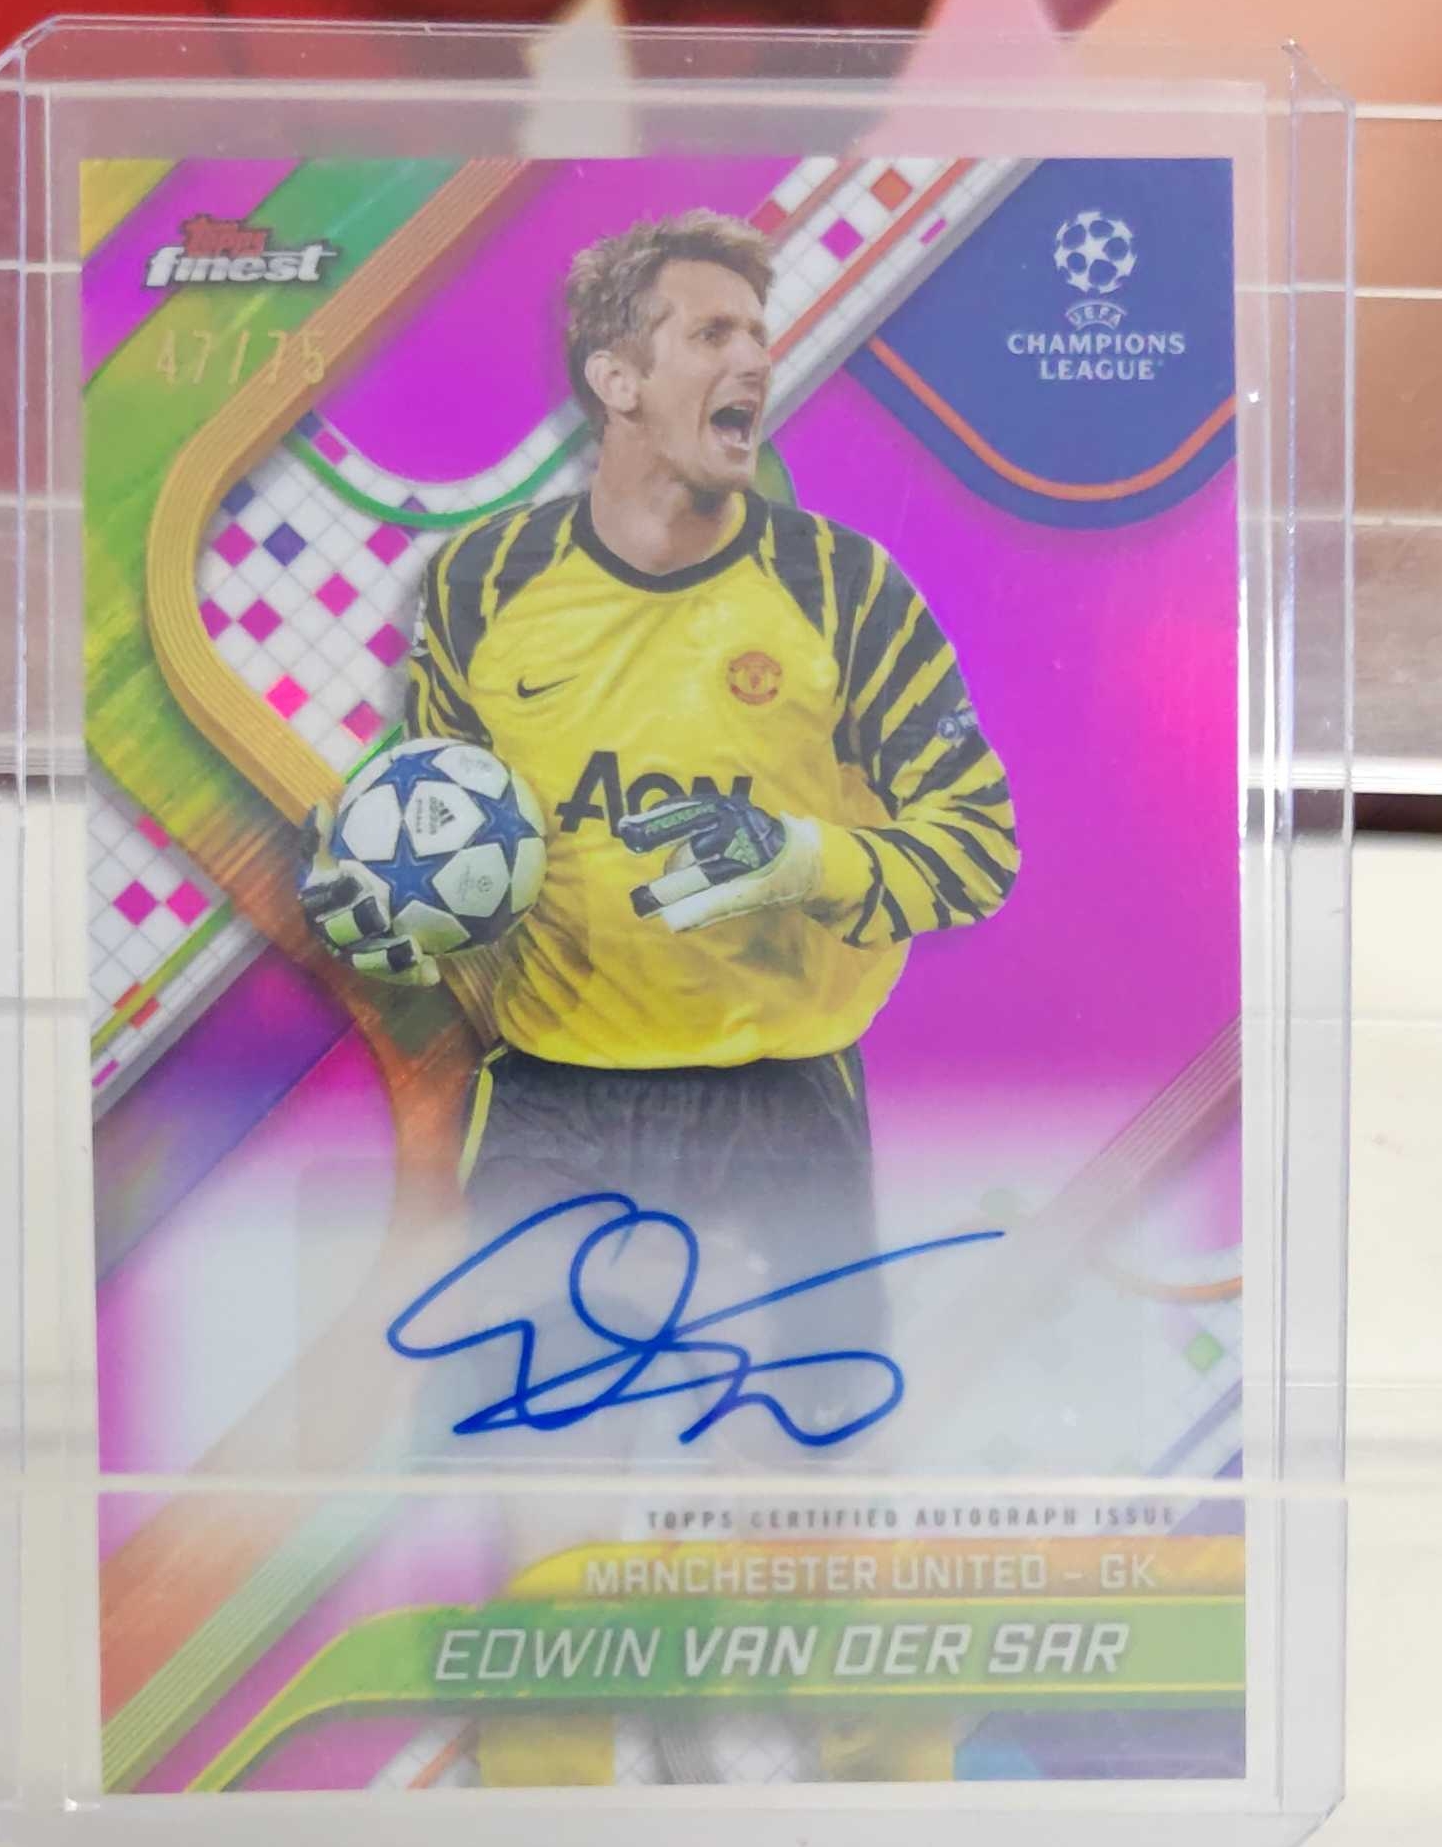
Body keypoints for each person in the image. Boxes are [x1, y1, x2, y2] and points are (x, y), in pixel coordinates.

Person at [298, 210, 1019, 1289]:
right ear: (617, 380)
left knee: (811, 1401)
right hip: (553, 1103)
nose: (755, 362)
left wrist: (802, 861)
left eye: (759, 334)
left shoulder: (843, 588)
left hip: (782, 1107)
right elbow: (452, 835)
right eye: (714, 335)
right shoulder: (482, 584)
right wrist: (385, 917)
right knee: (517, 1400)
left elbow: (979, 850)